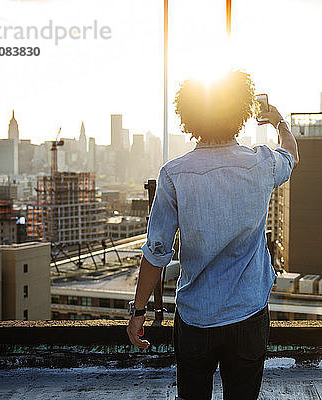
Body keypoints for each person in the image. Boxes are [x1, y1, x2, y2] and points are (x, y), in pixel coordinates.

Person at [125, 70, 299, 400]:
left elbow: (156, 252)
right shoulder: (261, 164)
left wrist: (138, 313)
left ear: (189, 116)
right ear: (241, 113)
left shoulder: (174, 174)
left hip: (195, 318)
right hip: (248, 315)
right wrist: (279, 122)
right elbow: (292, 154)